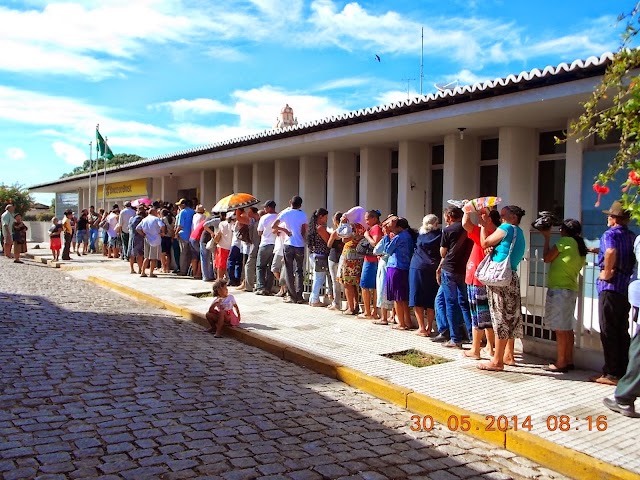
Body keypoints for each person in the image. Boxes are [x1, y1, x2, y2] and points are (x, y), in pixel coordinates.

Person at [591, 201, 636, 385]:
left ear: (615, 218)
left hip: (611, 287)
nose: (608, 219)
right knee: (621, 330)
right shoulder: (632, 236)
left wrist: (606, 272)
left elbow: (610, 251)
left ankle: (611, 373)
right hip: (625, 286)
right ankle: (623, 369)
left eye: (610, 216)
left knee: (608, 330)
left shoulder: (610, 234)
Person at [477, 205, 527, 372]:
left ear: (513, 216)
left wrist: (484, 225)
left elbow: (484, 242)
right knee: (510, 317)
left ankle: (497, 360)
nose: (501, 217)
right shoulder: (519, 232)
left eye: (504, 214)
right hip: (511, 276)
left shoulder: (506, 228)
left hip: (500, 279)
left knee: (499, 318)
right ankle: (508, 355)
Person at [541, 219, 587, 373]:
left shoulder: (565, 242)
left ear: (565, 230)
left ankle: (561, 362)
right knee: (567, 327)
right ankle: (569, 359)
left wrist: (547, 238)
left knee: (560, 328)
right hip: (570, 288)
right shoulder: (579, 246)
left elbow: (547, 258)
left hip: (559, 289)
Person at [462, 208, 501, 359]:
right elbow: (466, 224)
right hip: (480, 276)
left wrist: (467, 211)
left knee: (478, 315)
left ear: (490, 219)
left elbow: (466, 223)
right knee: (485, 315)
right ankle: (489, 347)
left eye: (483, 214)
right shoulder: (492, 232)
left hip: (479, 278)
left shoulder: (487, 233)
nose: (479, 216)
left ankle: (476, 349)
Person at [437, 206, 473, 348]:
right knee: (465, 303)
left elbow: (442, 252)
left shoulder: (448, 230)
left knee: (451, 303)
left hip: (450, 269)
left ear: (450, 216)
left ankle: (455, 338)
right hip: (464, 269)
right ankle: (472, 336)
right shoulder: (469, 229)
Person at [409, 214, 442, 336]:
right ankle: (429, 327)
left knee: (417, 297)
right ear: (436, 223)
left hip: (418, 267)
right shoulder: (440, 235)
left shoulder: (420, 236)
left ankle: (421, 327)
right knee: (431, 297)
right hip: (434, 268)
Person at [383, 216, 417, 330]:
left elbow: (387, 250)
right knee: (404, 297)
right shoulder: (409, 236)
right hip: (406, 267)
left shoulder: (398, 237)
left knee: (397, 297)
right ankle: (408, 321)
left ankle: (401, 323)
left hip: (396, 267)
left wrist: (387, 235)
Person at [273, 196, 308, 304]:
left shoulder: (286, 213)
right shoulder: (303, 214)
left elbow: (273, 226)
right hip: (299, 245)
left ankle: (292, 296)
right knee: (299, 270)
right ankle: (299, 295)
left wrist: (285, 230)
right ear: (300, 204)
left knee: (288, 270)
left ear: (290, 202)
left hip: (288, 244)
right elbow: (303, 230)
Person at [359, 210, 383, 319]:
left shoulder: (376, 228)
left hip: (371, 261)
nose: (366, 221)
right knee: (373, 287)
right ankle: (373, 311)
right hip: (370, 260)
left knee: (365, 285)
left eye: (367, 219)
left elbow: (375, 243)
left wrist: (367, 236)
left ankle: (368, 312)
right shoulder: (374, 228)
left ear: (374, 218)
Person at [372, 220, 395, 324]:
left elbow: (376, 250)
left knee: (382, 289)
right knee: (392, 290)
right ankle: (393, 316)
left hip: (385, 264)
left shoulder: (386, 238)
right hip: (392, 265)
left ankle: (384, 317)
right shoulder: (397, 237)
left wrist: (381, 254)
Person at [307, 208, 331, 307]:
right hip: (320, 256)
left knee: (317, 277)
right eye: (325, 217)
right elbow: (328, 240)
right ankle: (315, 300)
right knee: (319, 278)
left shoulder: (312, 227)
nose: (326, 219)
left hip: (314, 254)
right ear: (321, 216)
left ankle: (312, 298)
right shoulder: (320, 228)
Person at [256, 200, 278, 295]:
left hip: (265, 243)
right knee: (270, 267)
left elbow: (259, 232)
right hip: (275, 244)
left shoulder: (264, 217)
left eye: (265, 207)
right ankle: (268, 287)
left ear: (269, 208)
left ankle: (261, 287)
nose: (264, 209)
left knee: (260, 266)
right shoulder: (279, 216)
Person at [137, 207, 165, 278]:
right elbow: (162, 225)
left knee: (146, 257)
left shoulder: (144, 220)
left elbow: (137, 228)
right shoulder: (156, 219)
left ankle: (142, 272)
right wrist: (162, 232)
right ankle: (151, 273)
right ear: (154, 212)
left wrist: (143, 234)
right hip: (155, 239)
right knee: (153, 258)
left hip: (147, 239)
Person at [326, 211, 344, 311]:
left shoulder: (335, 232)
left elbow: (329, 244)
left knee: (334, 281)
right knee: (343, 281)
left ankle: (336, 303)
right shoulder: (346, 232)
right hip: (342, 257)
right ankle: (340, 302)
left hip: (333, 257)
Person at [175, 198, 195, 276]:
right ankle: (189, 270)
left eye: (179, 205)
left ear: (183, 205)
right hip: (191, 235)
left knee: (183, 254)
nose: (179, 206)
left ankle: (183, 270)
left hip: (183, 235)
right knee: (189, 254)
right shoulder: (193, 211)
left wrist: (176, 233)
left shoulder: (182, 212)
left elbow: (180, 225)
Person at [214, 212, 233, 282]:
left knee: (220, 264)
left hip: (222, 246)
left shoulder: (222, 224)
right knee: (227, 264)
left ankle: (219, 279)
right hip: (231, 246)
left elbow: (219, 234)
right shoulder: (234, 224)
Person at [128, 207, 147, 274]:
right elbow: (139, 228)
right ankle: (140, 269)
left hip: (131, 237)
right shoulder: (140, 219)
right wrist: (144, 234)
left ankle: (132, 269)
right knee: (139, 254)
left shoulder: (131, 218)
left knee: (132, 254)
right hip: (138, 238)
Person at [161, 208, 176, 274]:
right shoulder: (173, 218)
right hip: (170, 237)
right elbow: (174, 228)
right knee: (168, 253)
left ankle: (164, 268)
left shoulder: (162, 219)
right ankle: (168, 268)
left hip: (164, 237)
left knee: (163, 253)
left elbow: (161, 227)